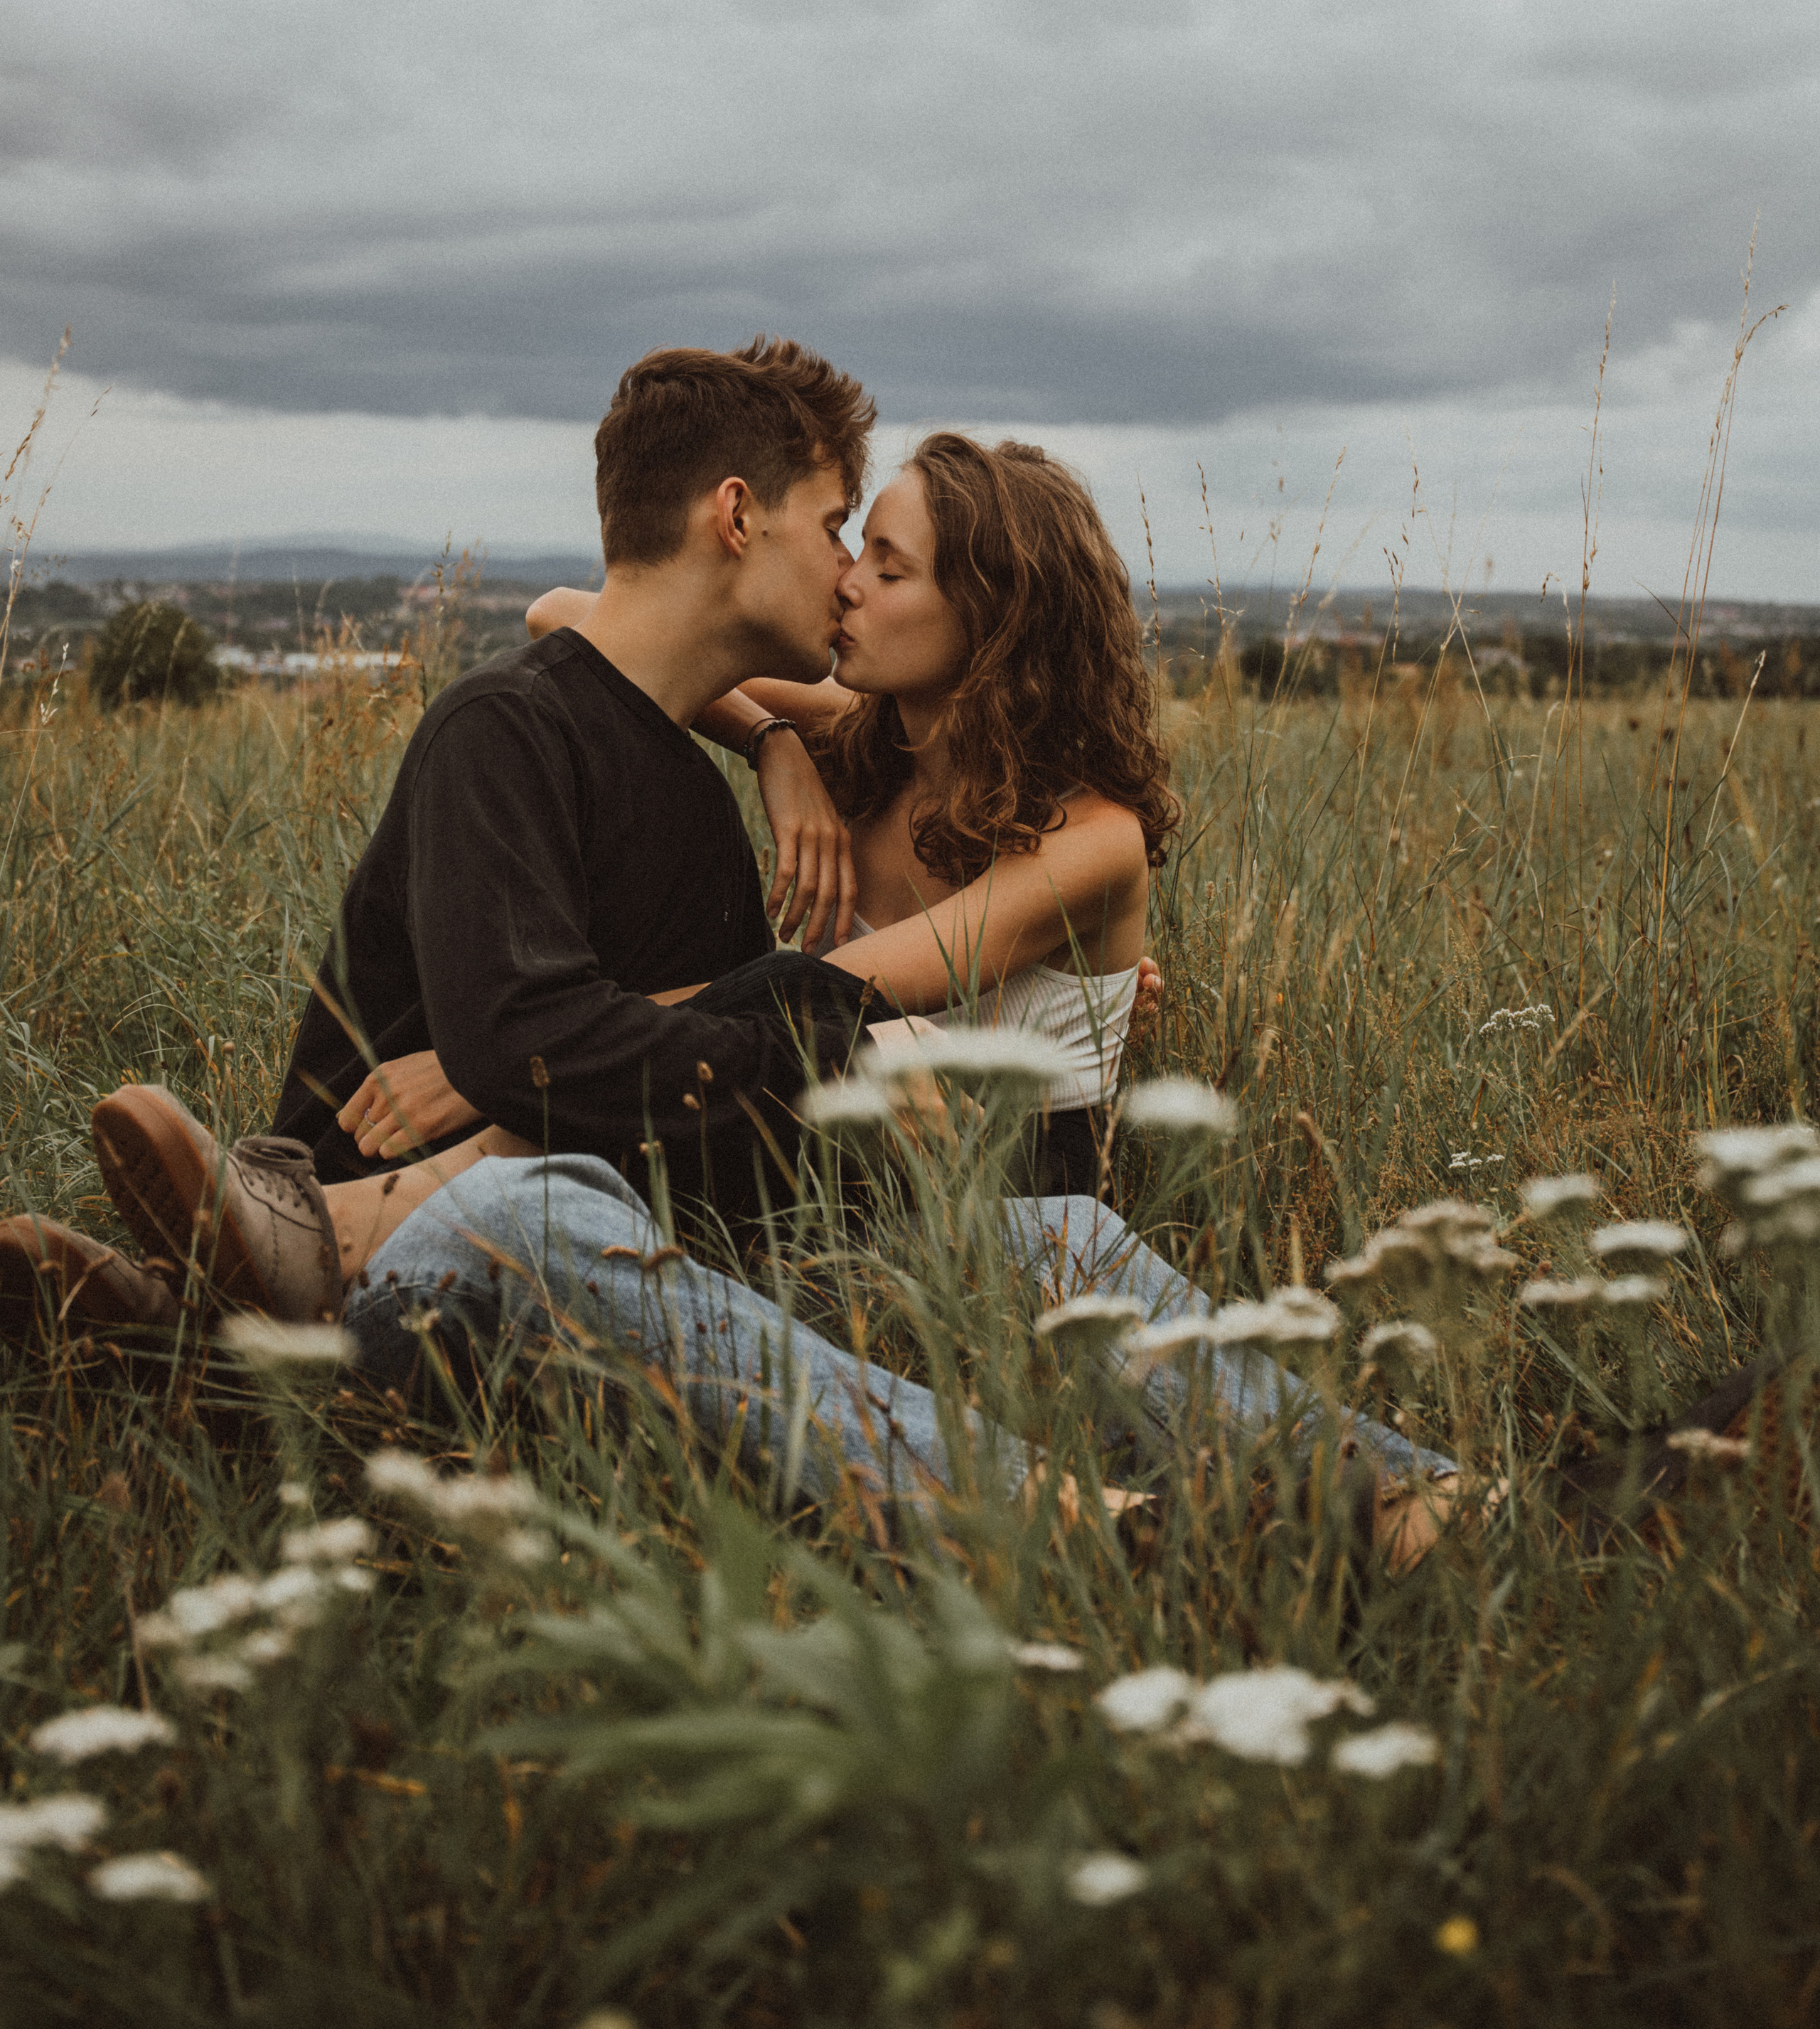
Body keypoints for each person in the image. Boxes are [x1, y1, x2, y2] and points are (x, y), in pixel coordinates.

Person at [2, 341, 1457, 1563]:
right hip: (765, 1184)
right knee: (551, 1197)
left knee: (1028, 1223)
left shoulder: (1077, 838)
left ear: (989, 618)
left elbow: (816, 1006)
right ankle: (1076, 1533)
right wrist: (773, 747)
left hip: (902, 1195)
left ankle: (1420, 1504)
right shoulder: (778, 746)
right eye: (844, 539)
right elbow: (579, 626)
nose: (845, 582)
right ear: (736, 515)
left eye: (876, 561)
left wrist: (502, 1067)